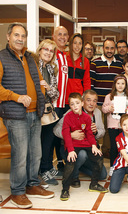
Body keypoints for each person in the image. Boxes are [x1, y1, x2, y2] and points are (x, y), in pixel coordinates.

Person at [0, 23, 54, 209]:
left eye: (23, 36)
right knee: (20, 155)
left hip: (34, 113)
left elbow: (37, 78)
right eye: (16, 35)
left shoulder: (30, 57)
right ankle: (17, 191)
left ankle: (32, 185)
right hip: (16, 115)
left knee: (35, 153)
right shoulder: (1, 57)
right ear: (8, 36)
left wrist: (42, 89)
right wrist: (16, 97)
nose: (20, 39)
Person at [53, 89, 106, 187]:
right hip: (72, 149)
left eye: (94, 101)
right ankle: (74, 176)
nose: (91, 103)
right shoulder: (71, 112)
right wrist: (70, 134)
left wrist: (96, 132)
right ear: (82, 101)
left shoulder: (97, 112)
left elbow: (102, 132)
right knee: (81, 154)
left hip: (88, 147)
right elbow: (56, 129)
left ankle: (76, 168)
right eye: (88, 100)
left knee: (102, 175)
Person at [34, 39, 60, 185]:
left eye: (51, 51)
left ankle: (45, 170)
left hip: (48, 111)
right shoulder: (32, 66)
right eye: (46, 49)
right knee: (35, 144)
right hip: (34, 111)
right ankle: (35, 173)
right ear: (40, 50)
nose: (48, 53)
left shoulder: (51, 69)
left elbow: (55, 94)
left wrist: (48, 87)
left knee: (47, 143)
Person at [102, 74, 128, 176]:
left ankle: (124, 165)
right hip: (113, 125)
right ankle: (112, 166)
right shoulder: (109, 96)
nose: (120, 86)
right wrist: (109, 108)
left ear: (126, 85)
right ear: (114, 85)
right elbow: (103, 109)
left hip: (124, 126)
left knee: (124, 146)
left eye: (123, 83)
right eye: (118, 83)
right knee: (114, 147)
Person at [52, 25, 69, 172]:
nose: (62, 37)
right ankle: (45, 169)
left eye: (65, 35)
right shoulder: (52, 54)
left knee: (60, 135)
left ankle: (61, 162)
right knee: (49, 138)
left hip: (63, 103)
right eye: (59, 34)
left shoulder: (65, 55)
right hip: (52, 104)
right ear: (54, 36)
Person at [90, 39, 123, 105]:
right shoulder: (95, 63)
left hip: (114, 104)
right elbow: (91, 85)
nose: (109, 51)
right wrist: (92, 102)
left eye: (112, 48)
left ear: (115, 49)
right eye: (107, 48)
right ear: (103, 48)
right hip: (98, 104)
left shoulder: (120, 65)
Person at [65, 33, 91, 106]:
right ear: (71, 44)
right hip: (65, 98)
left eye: (80, 43)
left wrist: (86, 97)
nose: (77, 46)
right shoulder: (64, 58)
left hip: (78, 99)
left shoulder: (85, 61)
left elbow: (86, 81)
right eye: (75, 43)